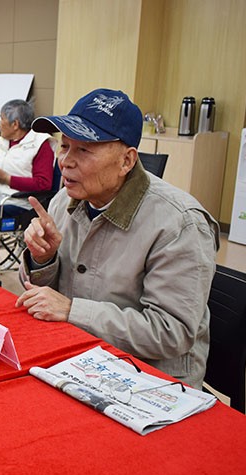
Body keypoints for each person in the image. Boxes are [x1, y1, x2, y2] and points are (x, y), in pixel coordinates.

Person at [15, 88, 218, 389]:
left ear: (126, 161)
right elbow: (45, 299)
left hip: (150, 379)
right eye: (64, 146)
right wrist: (42, 258)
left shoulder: (179, 224)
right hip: (81, 357)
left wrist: (73, 310)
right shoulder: (63, 200)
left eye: (84, 150)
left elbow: (171, 332)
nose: (66, 162)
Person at [0, 99, 57, 256]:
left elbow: (43, 184)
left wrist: (7, 179)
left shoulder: (41, 145)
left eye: (1, 118)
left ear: (15, 124)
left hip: (19, 206)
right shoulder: (4, 143)